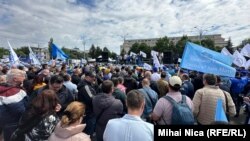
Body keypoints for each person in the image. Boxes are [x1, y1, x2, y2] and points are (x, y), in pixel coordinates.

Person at [0, 69, 28, 141]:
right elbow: (22, 111)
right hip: (14, 126)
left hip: (5, 125)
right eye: (22, 76)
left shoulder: (3, 89)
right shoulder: (16, 93)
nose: (24, 78)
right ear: (15, 79)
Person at [77, 71, 97, 136]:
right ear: (87, 77)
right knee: (88, 132)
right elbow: (92, 99)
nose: (94, 79)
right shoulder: (85, 86)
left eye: (94, 77)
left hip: (86, 110)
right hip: (88, 111)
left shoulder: (86, 84)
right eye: (92, 77)